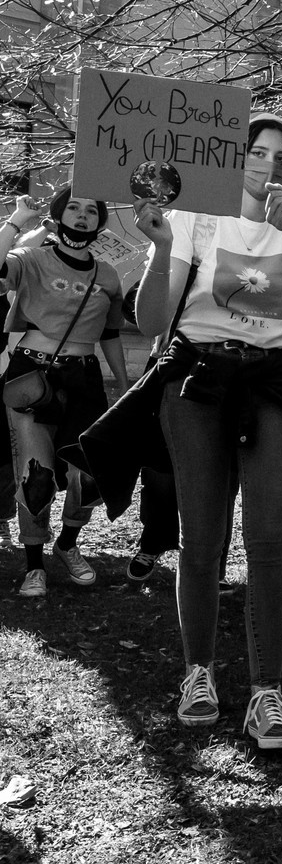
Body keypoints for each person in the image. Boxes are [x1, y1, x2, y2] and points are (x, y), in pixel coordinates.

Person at [131, 110, 282, 750]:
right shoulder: (193, 217)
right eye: (256, 153)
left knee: (269, 539)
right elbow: (153, 319)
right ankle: (199, 674)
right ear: (231, 159)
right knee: (202, 539)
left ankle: (267, 692)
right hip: (198, 383)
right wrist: (159, 247)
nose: (268, 166)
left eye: (279, 156)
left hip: (269, 387)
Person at [0, 185, 130, 594]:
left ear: (100, 222)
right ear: (58, 216)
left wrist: (125, 386)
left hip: (85, 378)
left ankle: (68, 545)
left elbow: (111, 334)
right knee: (34, 473)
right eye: (73, 207)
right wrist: (16, 221)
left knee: (87, 474)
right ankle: (33, 565)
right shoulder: (31, 257)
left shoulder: (108, 275)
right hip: (31, 376)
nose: (82, 216)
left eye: (92, 210)